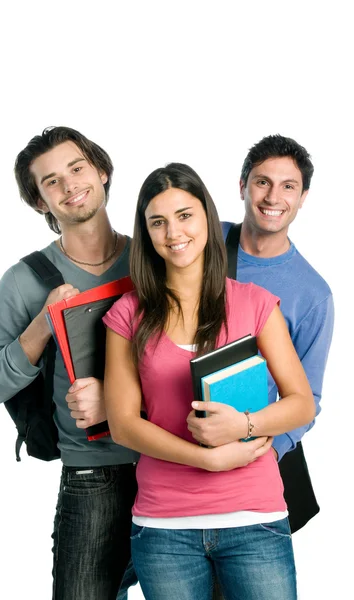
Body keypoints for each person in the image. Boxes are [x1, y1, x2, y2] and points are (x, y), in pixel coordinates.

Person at [102, 162, 315, 599]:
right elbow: (123, 423)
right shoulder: (128, 312)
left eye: (185, 215)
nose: (173, 232)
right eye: (157, 222)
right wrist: (206, 460)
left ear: (207, 216)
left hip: (254, 519)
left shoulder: (254, 304)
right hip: (165, 528)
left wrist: (244, 426)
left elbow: (301, 402)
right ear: (146, 234)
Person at [0, 126, 139, 600]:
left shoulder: (154, 257)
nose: (69, 186)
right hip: (91, 479)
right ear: (39, 203)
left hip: (170, 463)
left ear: (102, 172)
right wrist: (44, 323)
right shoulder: (25, 280)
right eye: (50, 182)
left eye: (77, 168)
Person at [187, 134, 334, 533]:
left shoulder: (312, 293)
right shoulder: (202, 240)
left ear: (303, 197)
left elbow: (309, 395)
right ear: (242, 186)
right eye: (262, 182)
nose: (273, 197)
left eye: (289, 186)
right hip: (171, 437)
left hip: (246, 451)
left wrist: (265, 452)